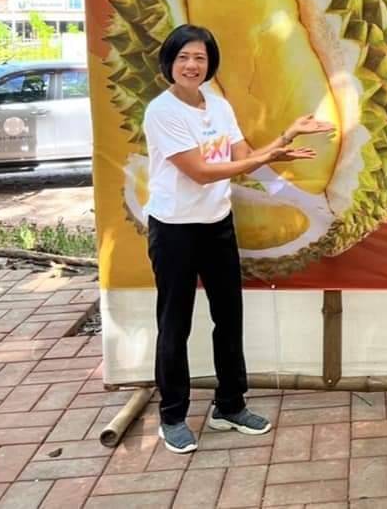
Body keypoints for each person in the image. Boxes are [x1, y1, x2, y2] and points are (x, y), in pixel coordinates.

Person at [143, 23, 334, 453]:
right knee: (174, 322)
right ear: (169, 62)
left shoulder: (218, 105)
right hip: (174, 229)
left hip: (217, 224)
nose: (192, 65)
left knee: (229, 317)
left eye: (200, 58)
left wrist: (284, 138)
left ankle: (230, 405)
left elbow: (242, 157)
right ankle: (172, 415)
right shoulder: (162, 112)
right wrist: (270, 154)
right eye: (183, 57)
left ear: (210, 64)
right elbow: (200, 171)